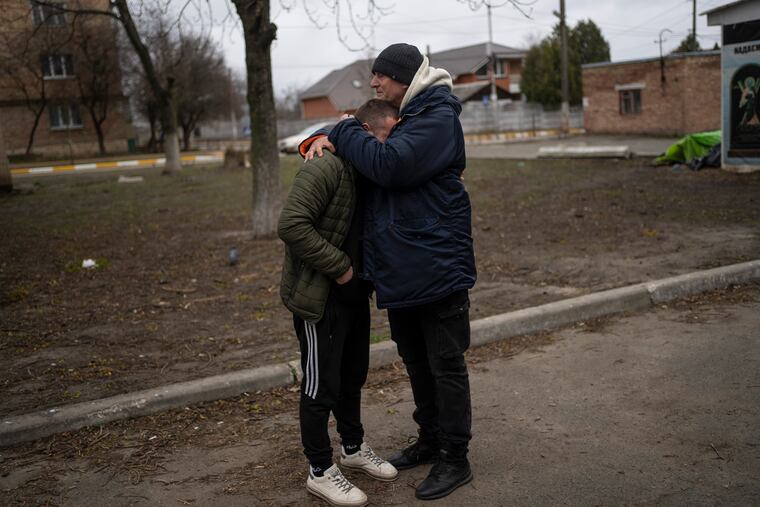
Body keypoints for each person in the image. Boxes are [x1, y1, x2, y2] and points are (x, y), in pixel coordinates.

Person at [304, 43, 477, 501]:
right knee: (417, 363)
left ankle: (455, 458)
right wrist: (323, 135)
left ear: (404, 78)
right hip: (403, 271)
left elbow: (389, 164)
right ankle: (431, 439)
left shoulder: (438, 119)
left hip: (437, 268)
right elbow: (368, 127)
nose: (375, 84)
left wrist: (342, 131)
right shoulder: (407, 119)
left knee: (445, 365)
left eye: (380, 77)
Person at [278, 99, 400, 507]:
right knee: (320, 384)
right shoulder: (326, 164)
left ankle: (351, 448)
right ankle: (319, 470)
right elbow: (292, 224)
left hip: (354, 297)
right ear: (363, 132)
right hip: (321, 298)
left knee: (352, 375)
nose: (386, 148)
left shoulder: (366, 169)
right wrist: (342, 268)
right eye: (383, 138)